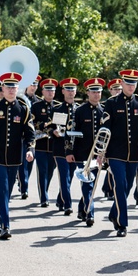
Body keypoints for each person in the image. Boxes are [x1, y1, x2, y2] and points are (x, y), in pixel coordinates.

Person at [101, 69, 138, 237]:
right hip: (115, 153)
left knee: (128, 186)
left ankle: (114, 214)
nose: (131, 86)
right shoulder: (111, 103)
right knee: (120, 184)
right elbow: (105, 128)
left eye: (134, 83)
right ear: (122, 83)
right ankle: (122, 224)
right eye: (128, 83)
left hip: (135, 153)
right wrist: (101, 152)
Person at [0, 72, 35, 240]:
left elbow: (30, 134)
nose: (11, 89)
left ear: (18, 88)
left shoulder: (23, 109)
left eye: (14, 87)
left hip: (14, 159)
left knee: (7, 192)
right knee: (2, 190)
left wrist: (30, 149)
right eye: (8, 86)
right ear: (2, 89)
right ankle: (6, 225)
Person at [72, 77, 107, 226]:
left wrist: (105, 153)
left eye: (98, 92)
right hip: (82, 153)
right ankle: (89, 214)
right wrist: (69, 151)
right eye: (93, 92)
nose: (96, 95)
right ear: (87, 93)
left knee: (90, 184)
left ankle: (82, 208)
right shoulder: (79, 111)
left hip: (97, 155)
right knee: (87, 184)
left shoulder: (104, 111)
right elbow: (72, 132)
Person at [50, 78, 80, 215]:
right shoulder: (57, 109)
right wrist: (53, 132)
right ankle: (68, 204)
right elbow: (50, 128)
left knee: (70, 176)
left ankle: (60, 199)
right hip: (60, 148)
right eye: (67, 89)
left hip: (75, 148)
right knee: (64, 175)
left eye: (72, 89)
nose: (70, 92)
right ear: (62, 91)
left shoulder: (79, 109)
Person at [31, 78, 59, 207]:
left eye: (52, 90)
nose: (50, 92)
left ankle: (45, 190)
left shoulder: (58, 106)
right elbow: (32, 123)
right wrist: (45, 125)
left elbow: (61, 124)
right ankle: (44, 197)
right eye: (47, 90)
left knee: (50, 171)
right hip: (41, 145)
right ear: (42, 91)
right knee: (42, 171)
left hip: (54, 145)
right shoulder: (36, 106)